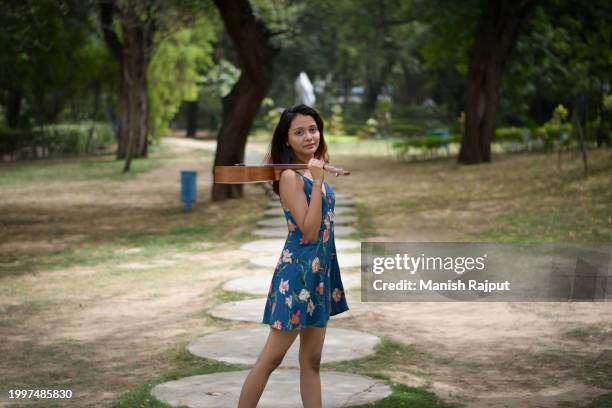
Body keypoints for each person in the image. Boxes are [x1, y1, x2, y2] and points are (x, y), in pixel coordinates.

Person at [237, 104, 349, 407]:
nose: (309, 136)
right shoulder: (290, 176)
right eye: (299, 132)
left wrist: (318, 174)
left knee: (312, 360)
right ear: (287, 140)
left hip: (320, 274)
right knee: (270, 359)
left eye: (313, 129)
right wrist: (319, 180)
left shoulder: (313, 168)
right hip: (297, 276)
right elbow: (310, 231)